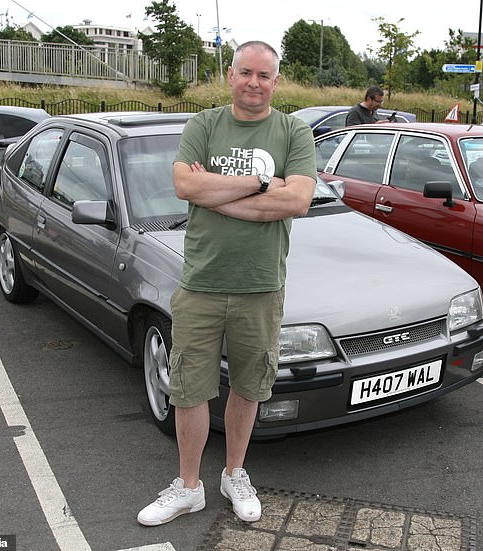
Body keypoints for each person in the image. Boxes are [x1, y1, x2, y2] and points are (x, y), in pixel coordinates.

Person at [137, 40, 317, 527]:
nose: (254, 83)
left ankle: (234, 472)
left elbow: (298, 200)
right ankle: (189, 486)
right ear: (231, 75)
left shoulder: (293, 130)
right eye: (245, 73)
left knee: (248, 386)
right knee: (189, 387)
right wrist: (264, 184)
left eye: (264, 75)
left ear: (275, 81)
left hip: (261, 285)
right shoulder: (204, 125)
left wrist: (217, 193)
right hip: (201, 283)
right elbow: (185, 186)